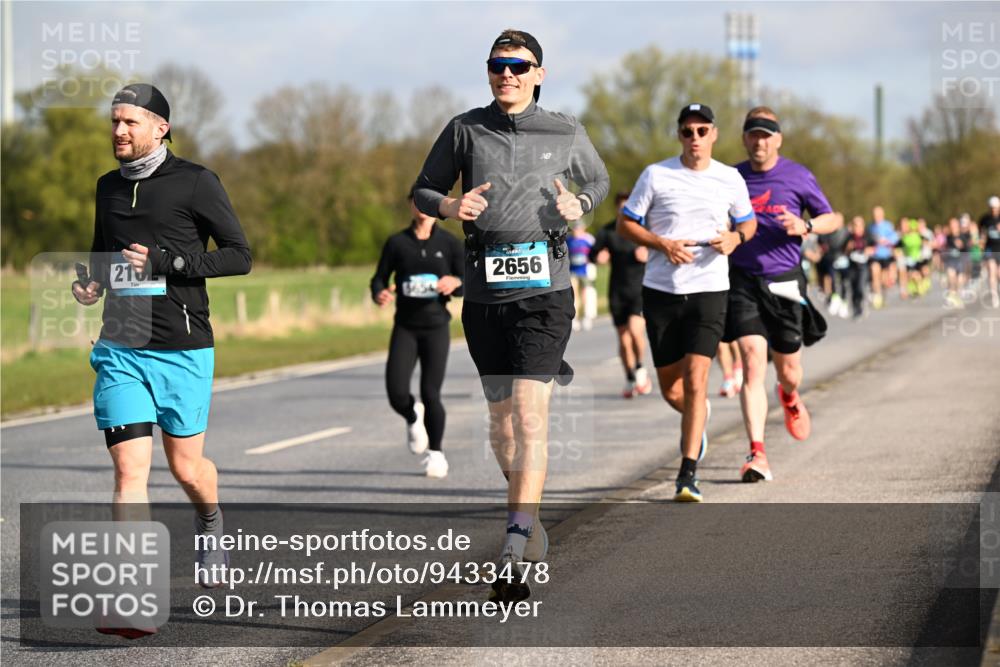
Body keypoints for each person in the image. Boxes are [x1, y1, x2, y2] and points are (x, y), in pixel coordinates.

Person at [412, 29, 609, 601]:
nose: (508, 74)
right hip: (484, 295)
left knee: (529, 417)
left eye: (519, 66)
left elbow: (596, 179)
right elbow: (423, 190)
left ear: (538, 74)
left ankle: (514, 547)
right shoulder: (464, 129)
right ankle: (530, 509)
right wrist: (450, 205)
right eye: (498, 64)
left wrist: (581, 203)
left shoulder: (565, 128)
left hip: (545, 292)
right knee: (501, 424)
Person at [71, 84, 252, 632]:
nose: (118, 132)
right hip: (122, 344)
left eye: (129, 122)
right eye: (114, 122)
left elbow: (240, 256)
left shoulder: (196, 181)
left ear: (160, 127)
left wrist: (168, 262)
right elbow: (103, 257)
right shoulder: (106, 188)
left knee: (186, 469)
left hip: (182, 346)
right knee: (130, 469)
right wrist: (91, 284)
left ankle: (210, 520)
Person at [618, 103, 756, 503]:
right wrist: (661, 242)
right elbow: (628, 223)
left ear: (714, 134)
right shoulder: (656, 175)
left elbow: (747, 221)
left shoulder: (729, 178)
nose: (694, 138)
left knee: (698, 380)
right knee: (672, 390)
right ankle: (699, 419)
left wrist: (736, 238)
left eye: (702, 130)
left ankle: (687, 474)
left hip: (710, 289)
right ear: (679, 135)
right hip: (661, 291)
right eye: (687, 131)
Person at [723, 107, 841, 484]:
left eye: (766, 135)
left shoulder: (797, 175)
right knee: (752, 360)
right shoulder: (731, 177)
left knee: (789, 370)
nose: (760, 141)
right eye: (753, 135)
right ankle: (757, 452)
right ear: (745, 139)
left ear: (778, 139)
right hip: (743, 280)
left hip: (786, 280)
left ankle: (789, 396)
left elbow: (832, 218)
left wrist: (805, 225)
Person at [370, 193, 464, 478]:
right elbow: (379, 277)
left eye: (429, 205)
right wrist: (379, 292)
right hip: (406, 327)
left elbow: (468, 281)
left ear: (438, 209)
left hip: (436, 326)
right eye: (417, 202)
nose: (423, 209)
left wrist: (456, 282)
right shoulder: (397, 243)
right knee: (396, 392)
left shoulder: (449, 244)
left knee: (431, 393)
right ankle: (412, 416)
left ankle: (436, 454)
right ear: (411, 205)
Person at [590, 191, 653, 398]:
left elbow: (660, 248)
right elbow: (593, 253)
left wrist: (648, 253)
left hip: (639, 289)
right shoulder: (608, 231)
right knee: (624, 340)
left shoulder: (642, 229)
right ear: (617, 208)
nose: (623, 211)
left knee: (636, 331)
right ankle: (629, 378)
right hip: (617, 290)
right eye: (621, 208)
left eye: (628, 207)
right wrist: (598, 256)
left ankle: (641, 368)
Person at [567, 220, 597, 331]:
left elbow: (595, 251)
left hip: (585, 271)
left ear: (583, 228)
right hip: (572, 271)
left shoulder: (588, 239)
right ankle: (575, 319)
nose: (577, 231)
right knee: (574, 295)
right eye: (575, 229)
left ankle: (587, 317)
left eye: (579, 228)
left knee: (586, 293)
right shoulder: (568, 239)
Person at [844, 215, 875, 318]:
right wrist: (848, 248)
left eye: (859, 225)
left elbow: (874, 247)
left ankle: (862, 305)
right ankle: (855, 308)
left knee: (861, 286)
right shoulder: (849, 237)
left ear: (863, 225)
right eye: (855, 225)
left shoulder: (868, 235)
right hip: (852, 265)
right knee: (853, 287)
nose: (857, 227)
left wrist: (869, 250)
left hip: (864, 265)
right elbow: (844, 251)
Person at [868, 205, 898, 309]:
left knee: (884, 280)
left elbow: (895, 238)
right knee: (874, 272)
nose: (876, 217)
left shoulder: (888, 225)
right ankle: (877, 296)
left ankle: (883, 294)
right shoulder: (870, 227)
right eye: (874, 215)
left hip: (886, 256)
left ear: (882, 215)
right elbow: (867, 241)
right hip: (875, 256)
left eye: (878, 215)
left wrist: (886, 241)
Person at [980, 195, 1000, 308]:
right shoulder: (985, 219)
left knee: (998, 274)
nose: (994, 210)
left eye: (996, 208)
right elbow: (981, 233)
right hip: (990, 249)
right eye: (992, 208)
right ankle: (994, 295)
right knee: (991, 272)